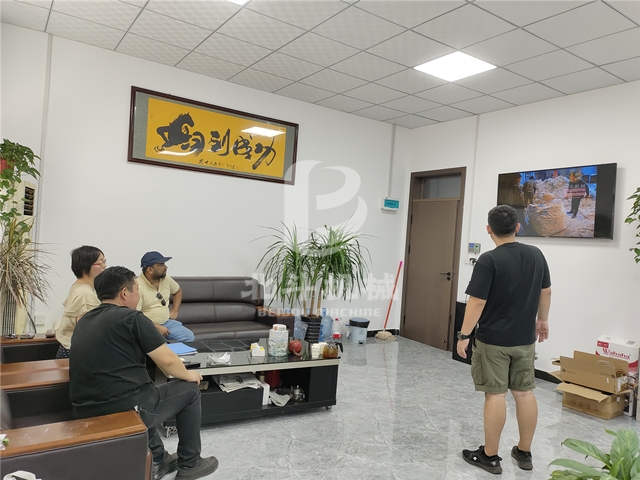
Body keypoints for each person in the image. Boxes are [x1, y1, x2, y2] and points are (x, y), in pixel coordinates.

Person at [69, 266, 218, 480]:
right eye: (137, 290)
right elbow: (168, 361)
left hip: (84, 409)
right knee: (189, 391)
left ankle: (159, 459)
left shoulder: (85, 320)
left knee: (144, 390)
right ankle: (190, 463)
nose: (138, 296)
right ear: (124, 293)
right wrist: (189, 375)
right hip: (122, 408)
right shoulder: (132, 318)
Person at [457, 205, 551, 474]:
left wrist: (464, 335)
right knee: (524, 393)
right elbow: (546, 291)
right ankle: (524, 452)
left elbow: (477, 302)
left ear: (489, 230)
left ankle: (490, 456)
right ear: (517, 228)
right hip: (524, 340)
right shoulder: (536, 254)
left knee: (495, 394)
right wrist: (542, 320)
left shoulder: (489, 260)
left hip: (494, 341)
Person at [54, 245, 106, 358]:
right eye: (100, 263)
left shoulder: (78, 286)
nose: (104, 266)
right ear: (85, 266)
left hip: (68, 348)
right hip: (75, 353)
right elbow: (88, 331)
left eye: (104, 261)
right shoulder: (85, 294)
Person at [137, 251, 194, 342]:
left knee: (188, 336)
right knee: (153, 342)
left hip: (167, 323)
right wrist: (156, 327)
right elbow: (136, 316)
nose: (166, 267)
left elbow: (178, 291)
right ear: (150, 270)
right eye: (161, 265)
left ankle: (166, 347)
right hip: (147, 326)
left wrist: (175, 310)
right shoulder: (137, 287)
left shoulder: (165, 279)